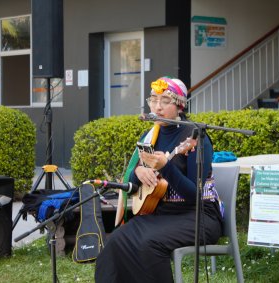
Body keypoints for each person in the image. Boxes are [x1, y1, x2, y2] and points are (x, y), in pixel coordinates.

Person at [95, 76, 223, 283]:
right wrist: (137, 173)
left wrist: (166, 167)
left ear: (180, 105)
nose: (158, 107)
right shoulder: (150, 135)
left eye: (165, 101)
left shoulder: (195, 136)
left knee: (148, 243)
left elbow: (194, 196)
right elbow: (130, 183)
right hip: (161, 215)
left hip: (199, 217)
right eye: (154, 100)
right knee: (115, 241)